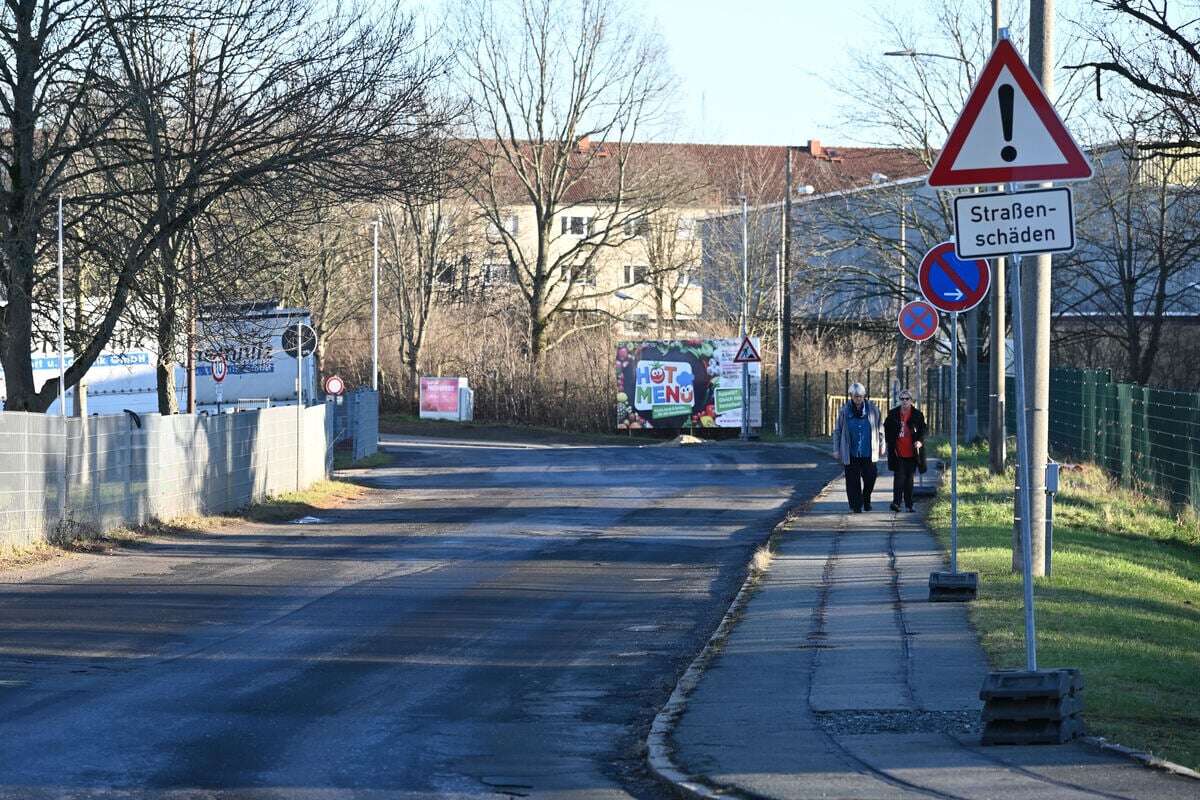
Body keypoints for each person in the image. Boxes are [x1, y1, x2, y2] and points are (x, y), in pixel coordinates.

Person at [831, 382, 885, 512]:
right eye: (855, 396)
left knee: (870, 477)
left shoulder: (873, 410)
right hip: (851, 451)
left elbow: (880, 428)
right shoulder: (845, 411)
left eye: (860, 396)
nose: (858, 399)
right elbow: (837, 431)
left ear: (864, 396)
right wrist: (836, 449)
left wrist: (882, 445)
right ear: (851, 396)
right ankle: (856, 505)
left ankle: (866, 499)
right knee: (852, 481)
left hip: (868, 451)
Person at [884, 389, 928, 512]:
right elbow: (886, 428)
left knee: (909, 480)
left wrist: (920, 441)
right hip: (898, 452)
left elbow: (923, 430)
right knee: (899, 478)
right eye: (902, 399)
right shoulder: (893, 414)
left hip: (913, 453)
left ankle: (909, 504)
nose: (904, 401)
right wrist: (888, 443)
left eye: (907, 399)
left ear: (911, 400)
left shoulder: (917, 415)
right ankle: (896, 503)